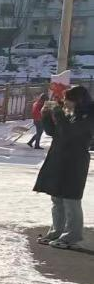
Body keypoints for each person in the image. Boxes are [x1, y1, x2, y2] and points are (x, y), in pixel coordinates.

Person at [35, 84, 92, 251]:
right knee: (57, 198)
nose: (64, 102)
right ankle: (56, 232)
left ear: (78, 100)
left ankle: (71, 236)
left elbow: (69, 133)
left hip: (75, 162)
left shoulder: (89, 116)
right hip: (59, 158)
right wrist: (46, 115)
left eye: (67, 99)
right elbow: (54, 132)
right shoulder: (70, 114)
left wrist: (58, 112)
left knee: (71, 200)